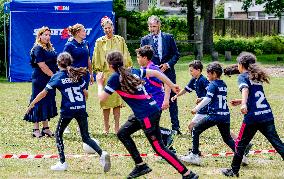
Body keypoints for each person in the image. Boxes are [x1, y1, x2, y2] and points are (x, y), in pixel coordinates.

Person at [96, 51, 198, 179]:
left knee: (159, 148)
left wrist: (99, 83)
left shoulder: (115, 78)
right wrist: (171, 85)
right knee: (122, 133)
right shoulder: (132, 71)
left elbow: (102, 98)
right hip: (146, 111)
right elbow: (156, 73)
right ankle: (140, 165)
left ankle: (187, 174)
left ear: (110, 65)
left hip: (147, 115)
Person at [26, 52, 111, 172]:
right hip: (81, 108)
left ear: (58, 63)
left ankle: (62, 163)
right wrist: (82, 101)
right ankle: (102, 153)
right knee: (85, 137)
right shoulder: (76, 74)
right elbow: (86, 93)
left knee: (58, 135)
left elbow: (43, 93)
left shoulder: (58, 76)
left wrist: (32, 104)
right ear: (70, 62)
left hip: (68, 110)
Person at [173, 60, 251, 165]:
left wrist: (196, 108)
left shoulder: (212, 84)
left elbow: (208, 99)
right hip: (225, 115)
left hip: (215, 115)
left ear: (214, 74)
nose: (207, 76)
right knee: (227, 138)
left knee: (195, 129)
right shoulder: (223, 84)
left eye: (208, 74)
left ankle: (194, 156)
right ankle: (241, 156)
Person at [221, 52, 284, 177]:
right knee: (277, 142)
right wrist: (241, 101)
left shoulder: (243, 77)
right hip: (266, 114)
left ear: (241, 64)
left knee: (240, 143)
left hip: (252, 118)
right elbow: (255, 95)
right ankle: (233, 170)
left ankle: (233, 171)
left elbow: (245, 89)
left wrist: (243, 104)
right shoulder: (256, 76)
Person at [141, 15, 181, 134]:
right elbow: (143, 57)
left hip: (168, 72)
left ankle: (176, 127)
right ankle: (153, 127)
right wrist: (152, 68)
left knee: (172, 99)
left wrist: (167, 64)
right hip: (153, 74)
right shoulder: (145, 39)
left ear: (159, 25)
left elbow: (176, 54)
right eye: (150, 26)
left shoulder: (169, 37)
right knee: (154, 99)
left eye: (154, 26)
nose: (152, 28)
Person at [92, 16, 133, 134]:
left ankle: (117, 127)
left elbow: (125, 55)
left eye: (109, 28)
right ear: (103, 29)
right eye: (105, 28)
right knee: (105, 103)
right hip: (105, 74)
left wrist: (126, 68)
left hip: (118, 74)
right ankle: (106, 127)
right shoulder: (99, 42)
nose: (108, 30)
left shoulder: (120, 40)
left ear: (113, 28)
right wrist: (98, 71)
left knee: (116, 103)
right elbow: (96, 57)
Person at [136, 45, 176, 153]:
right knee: (150, 126)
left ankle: (168, 134)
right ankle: (170, 148)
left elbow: (167, 83)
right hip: (149, 102)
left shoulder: (153, 69)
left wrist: (166, 99)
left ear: (145, 58)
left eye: (138, 57)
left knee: (148, 125)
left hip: (157, 101)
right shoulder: (143, 69)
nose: (137, 59)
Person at [24, 26, 58, 138]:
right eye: (45, 35)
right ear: (40, 36)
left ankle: (46, 128)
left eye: (49, 35)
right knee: (38, 101)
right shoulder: (38, 48)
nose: (48, 37)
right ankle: (35, 129)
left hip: (50, 79)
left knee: (47, 101)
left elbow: (55, 63)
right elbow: (42, 66)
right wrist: (54, 77)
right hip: (40, 79)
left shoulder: (50, 49)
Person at [63, 23, 94, 133]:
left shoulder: (86, 43)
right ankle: (65, 125)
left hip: (84, 76)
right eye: (83, 31)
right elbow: (64, 62)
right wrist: (71, 74)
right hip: (73, 76)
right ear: (77, 33)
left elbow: (88, 59)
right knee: (72, 101)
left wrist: (91, 74)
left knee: (82, 100)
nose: (85, 33)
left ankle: (80, 125)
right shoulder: (69, 45)